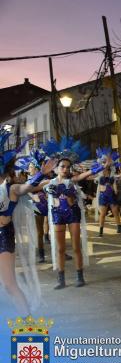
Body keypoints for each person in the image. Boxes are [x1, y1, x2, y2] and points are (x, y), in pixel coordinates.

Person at [41, 137, 111, 289]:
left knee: (76, 247)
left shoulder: (73, 180)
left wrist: (103, 165)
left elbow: (87, 173)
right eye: (62, 166)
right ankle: (61, 279)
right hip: (58, 214)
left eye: (67, 167)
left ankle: (80, 276)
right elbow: (30, 187)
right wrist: (40, 175)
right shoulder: (49, 183)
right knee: (60, 249)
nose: (65, 169)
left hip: (73, 214)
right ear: (56, 168)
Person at [0, 132, 56, 314]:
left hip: (3, 237)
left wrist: (41, 173)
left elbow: (27, 187)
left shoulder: (11, 188)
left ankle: (27, 322)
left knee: (10, 284)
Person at [15, 149, 49, 263]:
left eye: (30, 166)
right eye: (29, 167)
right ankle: (41, 254)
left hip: (48, 205)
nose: (28, 169)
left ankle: (60, 251)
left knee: (53, 229)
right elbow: (28, 189)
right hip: (36, 207)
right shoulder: (29, 181)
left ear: (36, 168)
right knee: (39, 231)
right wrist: (33, 194)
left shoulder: (46, 180)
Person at [94, 148, 121, 237]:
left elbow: (114, 183)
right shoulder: (100, 172)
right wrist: (108, 158)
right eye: (105, 161)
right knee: (103, 214)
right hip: (103, 195)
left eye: (108, 161)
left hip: (111, 194)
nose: (107, 163)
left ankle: (119, 228)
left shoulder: (112, 172)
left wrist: (115, 190)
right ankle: (100, 231)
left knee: (116, 212)